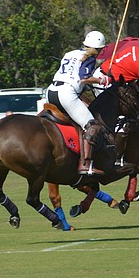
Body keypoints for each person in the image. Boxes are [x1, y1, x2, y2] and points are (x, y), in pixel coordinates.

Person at [47, 30, 109, 175]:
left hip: (51, 91)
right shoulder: (90, 58)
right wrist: (101, 80)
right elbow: (84, 78)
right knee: (91, 126)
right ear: (98, 49)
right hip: (66, 94)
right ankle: (85, 164)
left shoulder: (69, 53)